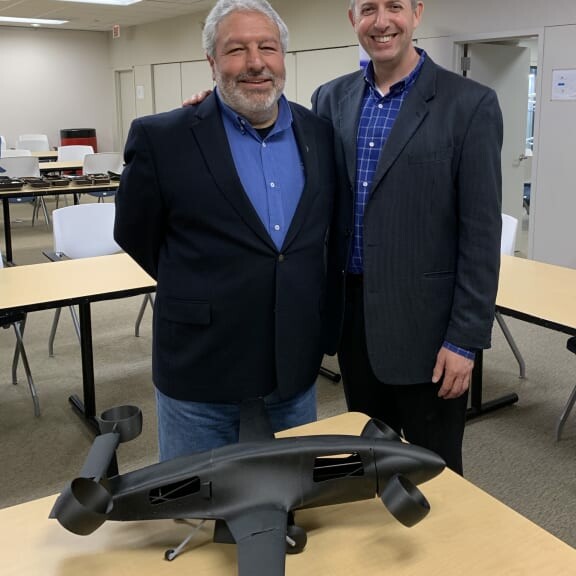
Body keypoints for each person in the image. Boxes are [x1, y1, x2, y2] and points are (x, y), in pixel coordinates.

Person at [114, 0, 336, 461]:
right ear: (212, 63)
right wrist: (199, 281)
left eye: (267, 48)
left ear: (283, 59)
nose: (255, 62)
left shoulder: (318, 133)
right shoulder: (163, 138)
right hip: (201, 367)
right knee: (196, 510)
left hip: (291, 365)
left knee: (293, 501)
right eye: (236, 50)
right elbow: (135, 233)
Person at [311, 0, 503, 474]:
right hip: (354, 324)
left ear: (416, 13)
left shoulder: (470, 104)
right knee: (371, 460)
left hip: (429, 331)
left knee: (435, 471)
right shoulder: (329, 100)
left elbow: (480, 236)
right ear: (351, 18)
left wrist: (465, 341)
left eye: (394, 5)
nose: (381, 21)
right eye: (368, 8)